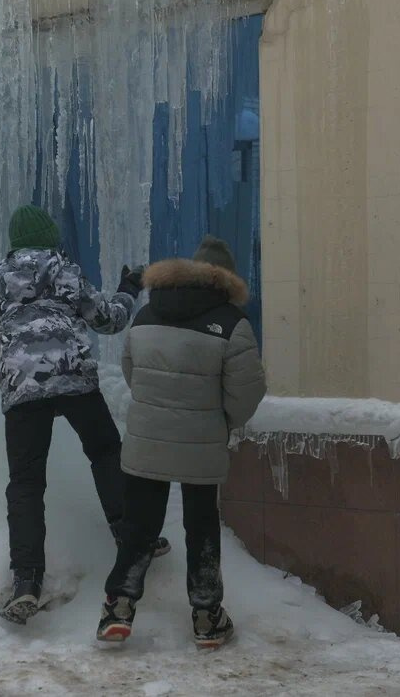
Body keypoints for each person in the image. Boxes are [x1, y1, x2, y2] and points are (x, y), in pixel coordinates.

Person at [0, 204, 168, 625]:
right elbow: (108, 319)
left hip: (22, 386)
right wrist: (129, 286)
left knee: (25, 483)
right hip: (72, 377)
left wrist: (10, 382)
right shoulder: (64, 270)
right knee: (104, 450)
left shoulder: (2, 277)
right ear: (50, 237)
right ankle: (130, 536)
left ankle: (27, 582)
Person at [96, 235, 266, 649]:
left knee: (139, 526)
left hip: (147, 438)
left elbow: (132, 372)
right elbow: (247, 392)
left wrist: (157, 410)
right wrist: (221, 422)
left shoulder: (147, 314)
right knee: (202, 526)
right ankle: (207, 617)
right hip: (202, 441)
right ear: (226, 281)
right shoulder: (232, 324)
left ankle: (118, 607)